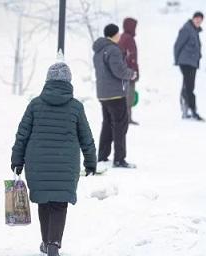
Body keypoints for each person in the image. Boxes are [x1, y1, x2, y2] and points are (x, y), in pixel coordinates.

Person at [11, 62, 97, 256]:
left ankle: (46, 242)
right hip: (65, 165)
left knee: (44, 201)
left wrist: (17, 160)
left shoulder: (35, 104)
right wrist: (91, 161)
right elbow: (86, 137)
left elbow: (22, 135)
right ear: (69, 82)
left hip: (38, 164)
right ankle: (53, 244)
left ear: (48, 81)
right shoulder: (76, 107)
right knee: (59, 203)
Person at [92, 24, 137, 169]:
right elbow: (118, 70)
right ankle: (119, 159)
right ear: (114, 35)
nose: (120, 36)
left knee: (107, 125)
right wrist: (131, 74)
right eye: (118, 34)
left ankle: (103, 156)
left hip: (103, 94)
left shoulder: (98, 51)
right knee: (120, 126)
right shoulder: (113, 50)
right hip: (115, 94)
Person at [174, 11, 204, 121]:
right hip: (186, 62)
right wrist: (177, 60)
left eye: (200, 20)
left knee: (187, 86)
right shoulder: (187, 29)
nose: (198, 22)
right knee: (189, 87)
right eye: (197, 19)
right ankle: (192, 109)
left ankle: (186, 109)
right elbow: (178, 45)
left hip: (192, 63)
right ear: (193, 19)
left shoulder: (194, 31)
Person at [118, 17, 140, 125]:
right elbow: (131, 58)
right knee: (129, 95)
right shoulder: (128, 38)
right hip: (129, 72)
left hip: (124, 72)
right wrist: (134, 72)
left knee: (127, 95)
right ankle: (127, 118)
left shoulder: (123, 37)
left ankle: (126, 118)